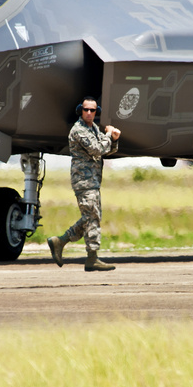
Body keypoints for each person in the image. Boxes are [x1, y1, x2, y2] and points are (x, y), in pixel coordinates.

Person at [47, 96, 121, 271]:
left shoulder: (93, 128)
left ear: (96, 112)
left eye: (92, 110)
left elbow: (106, 149)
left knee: (91, 217)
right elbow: (97, 149)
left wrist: (114, 139)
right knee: (92, 217)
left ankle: (60, 241)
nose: (89, 113)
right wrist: (109, 135)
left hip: (93, 180)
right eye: (86, 109)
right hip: (84, 180)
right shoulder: (79, 130)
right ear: (81, 110)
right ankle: (91, 257)